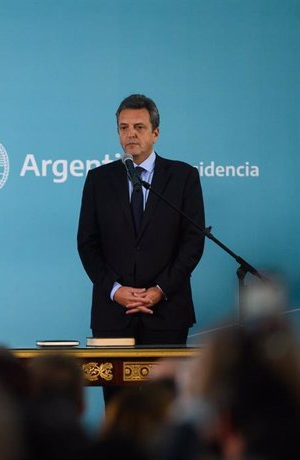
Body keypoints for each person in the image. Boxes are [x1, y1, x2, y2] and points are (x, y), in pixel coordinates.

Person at [77, 94, 205, 401]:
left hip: (167, 312)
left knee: (165, 411)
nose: (130, 134)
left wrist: (160, 289)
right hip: (113, 314)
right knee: (119, 410)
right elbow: (87, 243)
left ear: (155, 132)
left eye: (139, 127)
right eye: (123, 127)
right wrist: (115, 290)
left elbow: (193, 241)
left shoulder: (184, 177)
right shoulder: (99, 179)